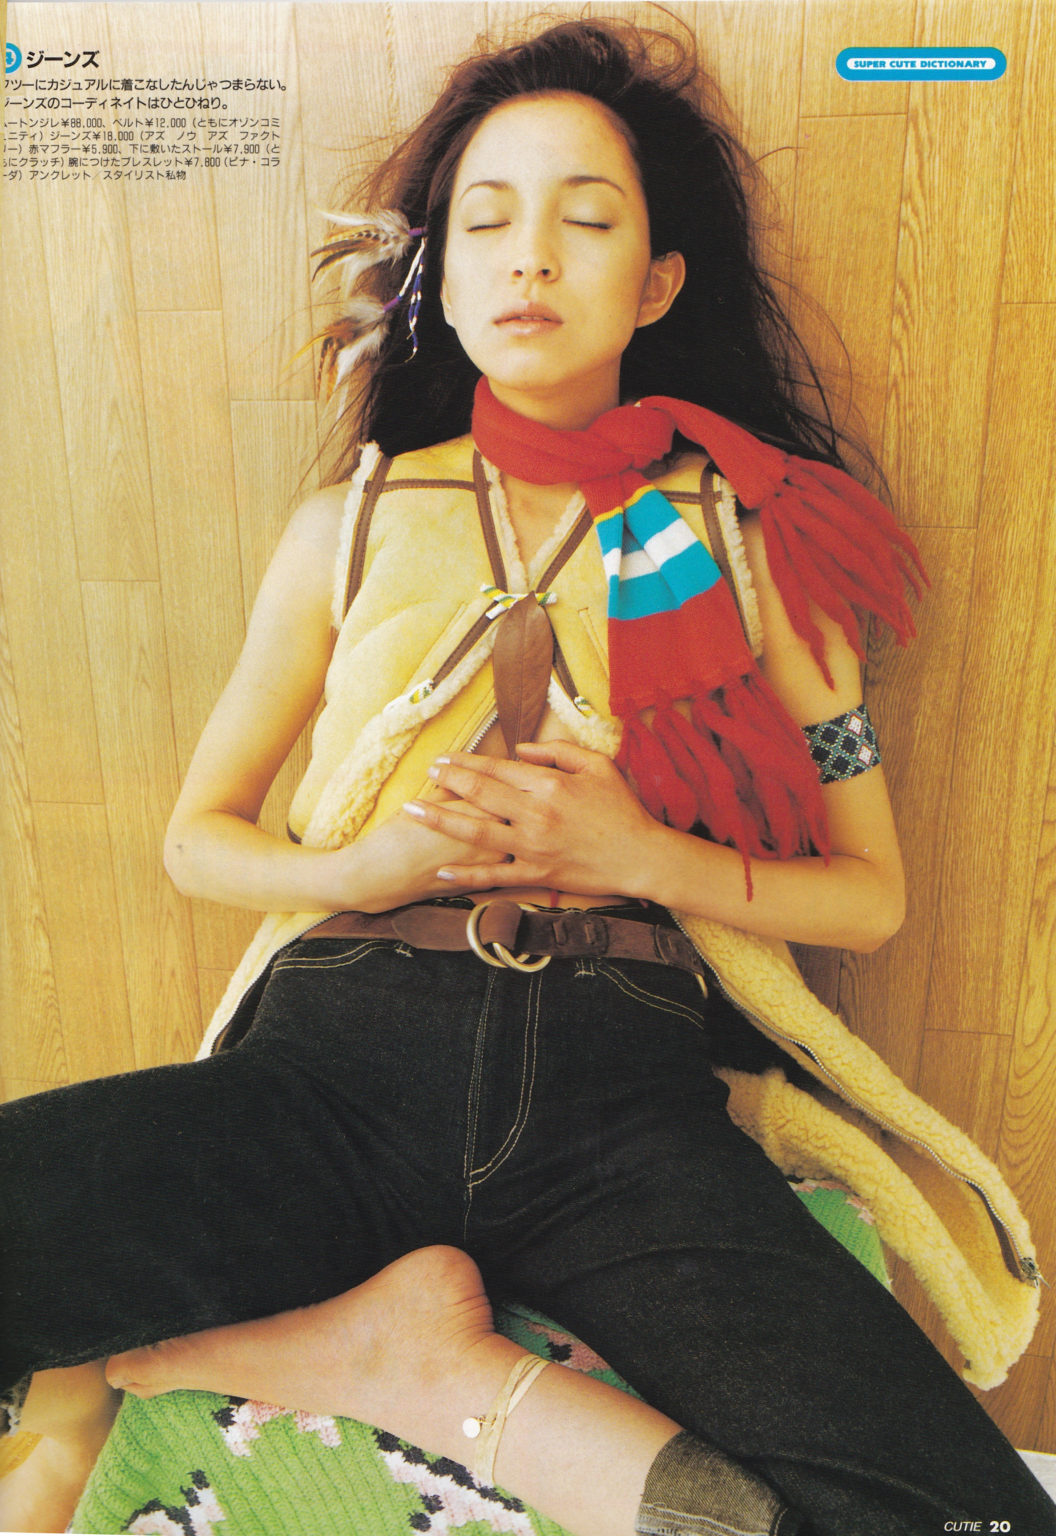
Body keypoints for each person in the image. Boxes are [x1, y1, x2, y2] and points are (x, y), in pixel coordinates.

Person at [1, 19, 1052, 1536]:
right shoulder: (352, 525)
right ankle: (243, 1387)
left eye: (587, 220)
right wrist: (356, 872)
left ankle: (440, 1380)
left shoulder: (764, 537)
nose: (531, 259)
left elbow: (868, 895)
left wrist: (643, 854)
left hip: (617, 1102)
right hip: (335, 1065)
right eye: (486, 222)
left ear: (659, 280)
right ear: (437, 276)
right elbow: (198, 839)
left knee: (969, 1513)